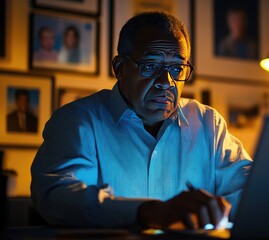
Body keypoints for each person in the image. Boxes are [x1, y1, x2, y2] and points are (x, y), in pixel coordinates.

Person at [31, 11, 252, 229]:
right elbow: (56, 195)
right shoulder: (78, 121)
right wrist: (147, 213)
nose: (166, 82)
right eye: (150, 66)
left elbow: (254, 191)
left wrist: (221, 209)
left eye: (176, 69)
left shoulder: (208, 124)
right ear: (120, 68)